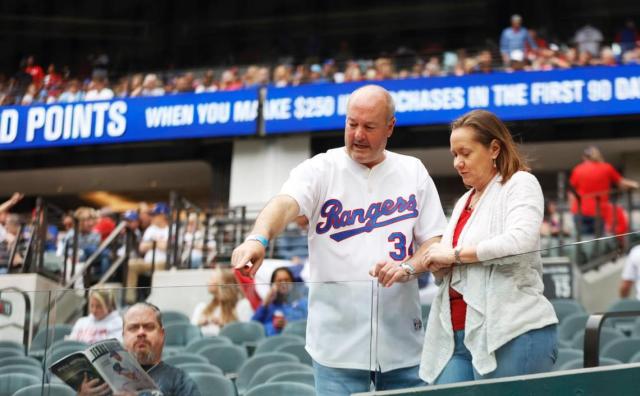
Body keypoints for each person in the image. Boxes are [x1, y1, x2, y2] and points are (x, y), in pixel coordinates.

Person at [232, 84, 447, 394]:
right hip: (336, 347)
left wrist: (408, 268)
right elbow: (285, 203)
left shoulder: (412, 171)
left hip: (403, 342)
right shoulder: (321, 168)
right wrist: (258, 238)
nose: (358, 134)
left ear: (390, 127)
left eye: (369, 126)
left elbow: (433, 241)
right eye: (351, 123)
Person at [372, 109, 558, 384]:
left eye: (465, 153)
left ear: (494, 148)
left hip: (512, 331)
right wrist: (408, 268)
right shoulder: (463, 202)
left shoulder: (520, 182)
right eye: (454, 155)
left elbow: (520, 241)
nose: (458, 162)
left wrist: (454, 255)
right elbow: (444, 259)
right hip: (455, 336)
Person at [78, 302, 201, 396]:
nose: (141, 332)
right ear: (123, 336)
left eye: (148, 327)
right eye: (133, 328)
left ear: (162, 335)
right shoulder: (102, 381)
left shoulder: (180, 381)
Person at [569, 146, 638, 236]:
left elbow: (571, 192)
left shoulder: (577, 169)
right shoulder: (606, 168)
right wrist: (635, 184)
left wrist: (572, 209)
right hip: (598, 211)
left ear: (584, 157)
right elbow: (621, 182)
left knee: (582, 243)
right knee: (597, 243)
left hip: (579, 211)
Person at [191, 268, 254, 336]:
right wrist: (199, 323)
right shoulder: (202, 307)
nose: (208, 282)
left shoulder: (242, 305)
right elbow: (190, 330)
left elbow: (247, 334)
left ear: (223, 283)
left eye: (211, 278)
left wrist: (224, 326)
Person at [251, 267, 307, 336]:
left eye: (287, 280)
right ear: (272, 285)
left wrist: (290, 326)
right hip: (272, 343)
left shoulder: (302, 303)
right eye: (279, 281)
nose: (283, 284)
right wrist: (265, 303)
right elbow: (252, 327)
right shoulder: (268, 306)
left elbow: (309, 327)